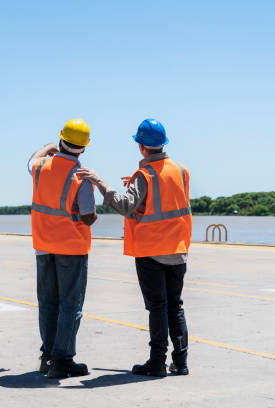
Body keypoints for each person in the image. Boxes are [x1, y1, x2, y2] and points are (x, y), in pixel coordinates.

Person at [76, 118, 191, 377]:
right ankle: (181, 362)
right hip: (178, 249)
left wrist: (99, 182)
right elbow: (167, 198)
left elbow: (126, 206)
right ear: (163, 144)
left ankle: (157, 362)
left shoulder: (144, 175)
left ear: (141, 147)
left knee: (158, 307)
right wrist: (138, 187)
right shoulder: (181, 170)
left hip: (151, 250)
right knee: (176, 306)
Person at [28, 118, 98, 379]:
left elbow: (31, 161)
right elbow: (88, 215)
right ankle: (63, 360)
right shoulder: (82, 177)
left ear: (60, 141)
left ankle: (47, 356)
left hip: (43, 245)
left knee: (47, 302)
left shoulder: (40, 167)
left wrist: (47, 148)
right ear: (83, 148)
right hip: (71, 247)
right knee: (70, 304)